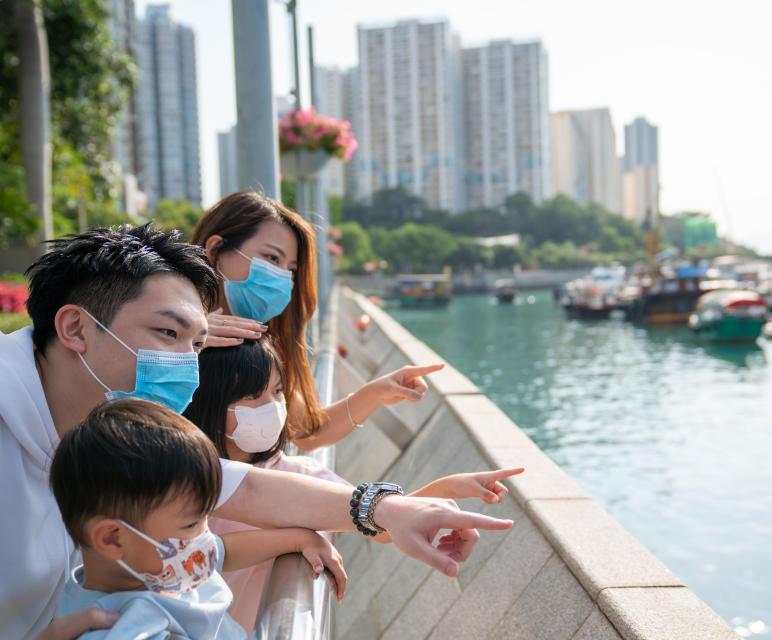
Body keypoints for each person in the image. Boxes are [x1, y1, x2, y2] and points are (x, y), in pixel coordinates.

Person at [0, 224, 512, 640]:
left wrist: (388, 509)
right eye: (167, 334)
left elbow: (240, 487)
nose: (187, 367)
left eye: (198, 344)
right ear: (74, 329)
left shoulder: (110, 439)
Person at [183, 338, 523, 634]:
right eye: (252, 397)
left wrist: (446, 489)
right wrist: (295, 538)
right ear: (206, 401)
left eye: (277, 392)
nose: (272, 408)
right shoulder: (177, 477)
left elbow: (384, 523)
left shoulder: (299, 475)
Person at [51, 398, 346, 639]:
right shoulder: (123, 628)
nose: (204, 534)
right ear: (113, 539)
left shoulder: (160, 567)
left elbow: (223, 551)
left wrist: (299, 539)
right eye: (191, 524)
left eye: (206, 517)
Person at [192, 190, 430, 451]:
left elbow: (306, 430)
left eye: (290, 269)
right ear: (215, 249)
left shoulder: (255, 347)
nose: (281, 277)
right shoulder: (160, 326)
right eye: (271, 258)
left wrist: (377, 393)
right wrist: (186, 344)